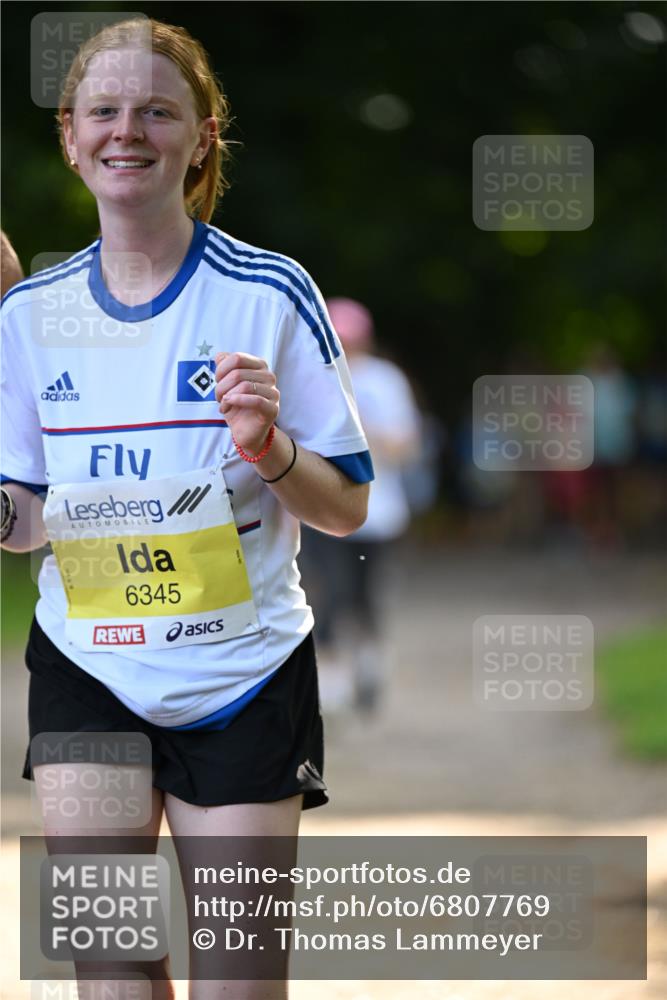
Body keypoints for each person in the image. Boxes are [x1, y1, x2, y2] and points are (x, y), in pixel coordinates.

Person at [1, 18, 371, 999]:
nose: (129, 130)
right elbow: (28, 520)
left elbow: (346, 508)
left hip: (240, 679)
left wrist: (271, 448)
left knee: (237, 981)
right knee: (110, 967)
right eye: (104, 111)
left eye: (157, 110)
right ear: (71, 137)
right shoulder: (29, 317)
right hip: (87, 668)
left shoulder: (267, 292)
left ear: (201, 135)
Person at [299, 298, 420, 712]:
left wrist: (362, 432)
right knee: (325, 595)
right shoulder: (313, 378)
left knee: (365, 597)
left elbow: (406, 446)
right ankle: (331, 686)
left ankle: (368, 667)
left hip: (377, 515)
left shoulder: (386, 382)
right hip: (321, 508)